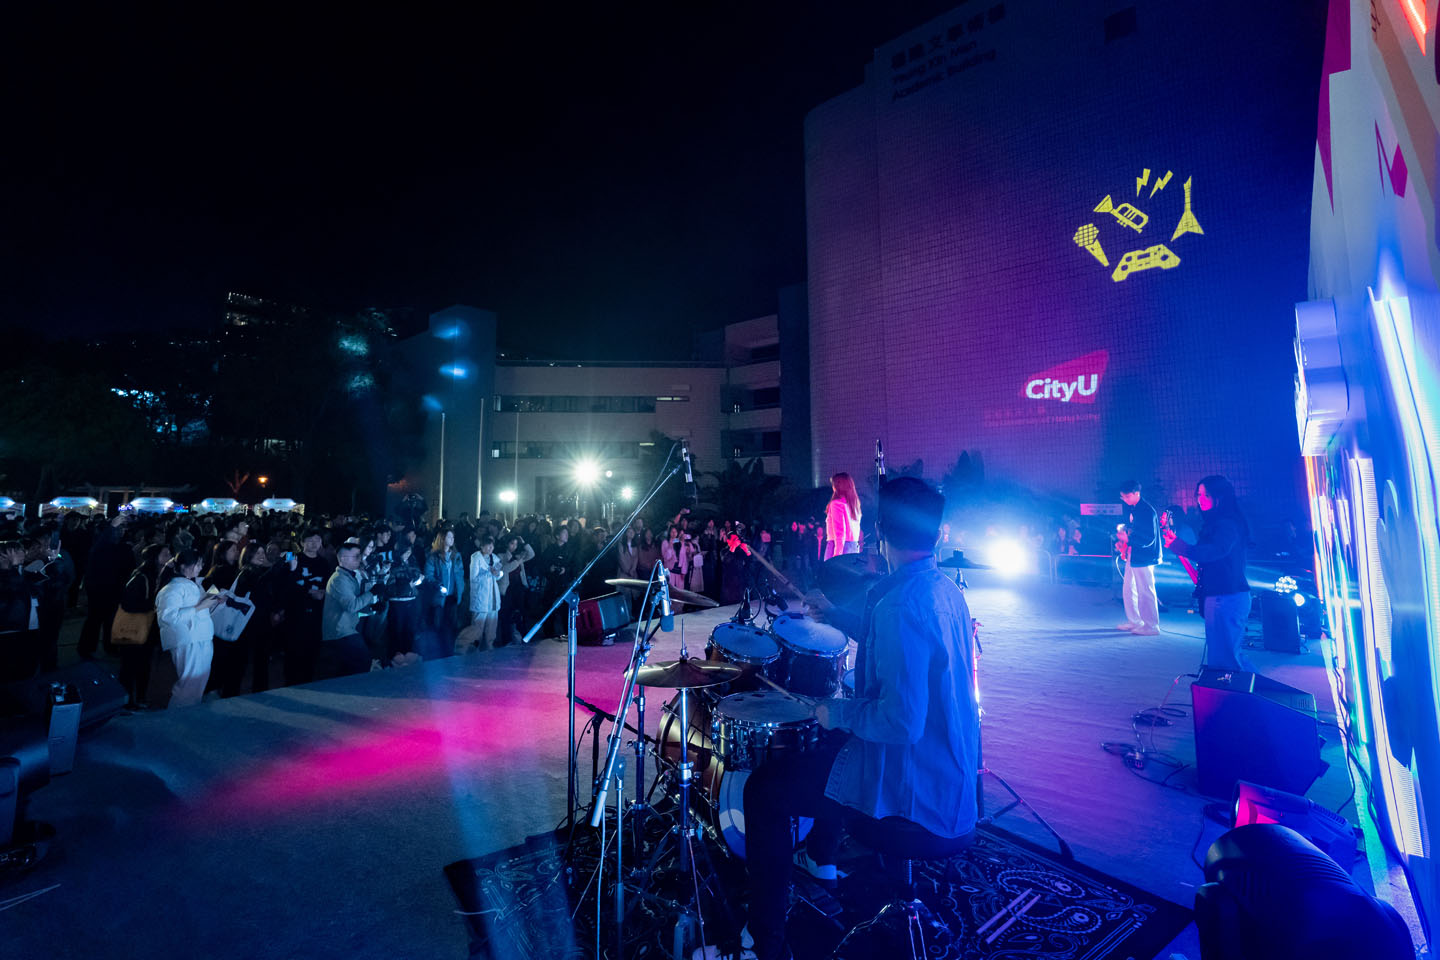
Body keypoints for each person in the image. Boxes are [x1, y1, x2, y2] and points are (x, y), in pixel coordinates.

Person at [725, 477, 979, 960]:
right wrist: (835, 615)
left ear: (880, 531)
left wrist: (836, 711)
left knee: (764, 790)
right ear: (936, 533)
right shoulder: (945, 590)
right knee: (833, 749)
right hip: (951, 778)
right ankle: (820, 858)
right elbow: (900, 645)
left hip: (915, 791)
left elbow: (901, 722)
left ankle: (763, 944)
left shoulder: (901, 604)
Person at [1163, 474, 1253, 671]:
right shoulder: (1217, 522)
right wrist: (1180, 547)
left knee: (1227, 659)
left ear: (1219, 497)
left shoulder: (1227, 523)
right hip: (1221, 594)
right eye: (1199, 495)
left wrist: (1184, 548)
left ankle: (1246, 689)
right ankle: (1244, 687)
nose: (1200, 499)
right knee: (1224, 655)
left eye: (1206, 495)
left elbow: (1216, 550)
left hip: (1227, 595)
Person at [156, 549, 223, 708]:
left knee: (197, 683)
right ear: (183, 566)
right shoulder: (172, 588)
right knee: (189, 684)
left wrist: (213, 600)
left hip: (201, 637)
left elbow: (199, 608)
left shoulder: (192, 584)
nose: (200, 568)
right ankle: (178, 716)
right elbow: (168, 617)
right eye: (197, 564)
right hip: (188, 640)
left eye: (201, 564)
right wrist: (201, 606)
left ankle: (188, 714)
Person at [116, 544, 168, 709]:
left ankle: (140, 697)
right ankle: (126, 702)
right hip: (134, 629)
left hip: (147, 630)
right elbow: (128, 603)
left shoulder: (159, 575)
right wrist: (154, 606)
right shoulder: (141, 577)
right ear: (154, 558)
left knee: (144, 664)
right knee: (130, 666)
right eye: (165, 554)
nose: (169, 556)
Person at [319, 542, 377, 678]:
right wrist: (372, 593)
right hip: (340, 632)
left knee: (351, 669)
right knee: (361, 663)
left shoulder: (348, 577)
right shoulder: (339, 580)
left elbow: (354, 604)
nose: (360, 559)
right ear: (343, 558)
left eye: (359, 556)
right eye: (356, 556)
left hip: (345, 630)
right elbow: (351, 606)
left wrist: (372, 607)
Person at [1117, 480, 1161, 635]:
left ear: (1137, 493)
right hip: (1135, 553)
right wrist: (1125, 541)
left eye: (1127, 496)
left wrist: (1128, 539)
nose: (1125, 499)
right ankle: (1135, 621)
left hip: (1145, 556)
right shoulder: (1135, 509)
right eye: (1123, 497)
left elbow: (1149, 537)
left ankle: (1151, 625)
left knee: (1145, 590)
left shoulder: (1147, 511)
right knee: (1129, 588)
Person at [423, 528, 465, 657]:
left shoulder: (456, 556)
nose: (452, 539)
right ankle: (438, 654)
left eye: (453, 537)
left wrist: (460, 590)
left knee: (452, 626)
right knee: (438, 626)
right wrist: (439, 586)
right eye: (449, 537)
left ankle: (449, 652)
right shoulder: (433, 557)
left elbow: (460, 574)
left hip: (452, 596)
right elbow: (428, 576)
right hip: (439, 597)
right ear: (442, 539)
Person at [465, 535, 503, 652]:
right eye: (488, 546)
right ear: (482, 546)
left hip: (493, 597)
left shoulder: (495, 558)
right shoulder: (476, 558)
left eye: (492, 546)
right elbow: (473, 577)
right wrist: (489, 573)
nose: (491, 548)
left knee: (491, 626)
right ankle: (474, 651)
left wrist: (497, 573)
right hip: (481, 596)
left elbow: (500, 574)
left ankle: (489, 649)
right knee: (478, 626)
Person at [823, 472, 862, 560]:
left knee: (830, 569)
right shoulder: (854, 505)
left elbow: (840, 531)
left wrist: (837, 555)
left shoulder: (837, 504)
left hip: (837, 546)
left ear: (837, 487)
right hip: (853, 546)